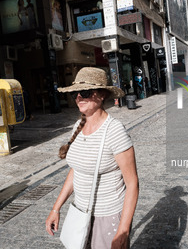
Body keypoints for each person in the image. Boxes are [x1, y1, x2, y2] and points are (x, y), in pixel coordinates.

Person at [45, 67, 139, 249]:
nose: (79, 97)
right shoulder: (77, 127)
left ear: (101, 95)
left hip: (108, 216)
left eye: (85, 92)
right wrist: (56, 208)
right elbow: (76, 170)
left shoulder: (114, 131)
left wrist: (123, 231)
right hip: (80, 214)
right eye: (75, 94)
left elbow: (133, 184)